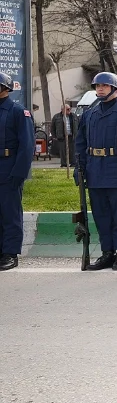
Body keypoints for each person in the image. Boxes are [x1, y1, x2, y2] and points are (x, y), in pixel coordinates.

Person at [76, 71, 117, 271]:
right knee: (101, 215)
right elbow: (81, 144)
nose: (100, 89)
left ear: (115, 89)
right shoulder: (89, 114)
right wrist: (79, 169)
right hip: (95, 170)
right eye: (98, 86)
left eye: (104, 86)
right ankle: (107, 252)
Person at [0, 72, 35, 271]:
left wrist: (19, 173)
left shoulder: (18, 112)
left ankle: (10, 253)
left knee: (10, 213)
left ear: (5, 88)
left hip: (8, 168)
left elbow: (27, 146)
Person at [50, 102, 76, 168]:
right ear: (63, 110)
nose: (69, 110)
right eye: (67, 109)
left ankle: (73, 163)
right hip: (62, 136)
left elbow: (78, 125)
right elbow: (52, 127)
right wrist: (54, 136)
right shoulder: (56, 117)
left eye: (70, 109)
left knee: (72, 150)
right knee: (63, 151)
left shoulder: (73, 116)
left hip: (71, 136)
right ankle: (64, 164)